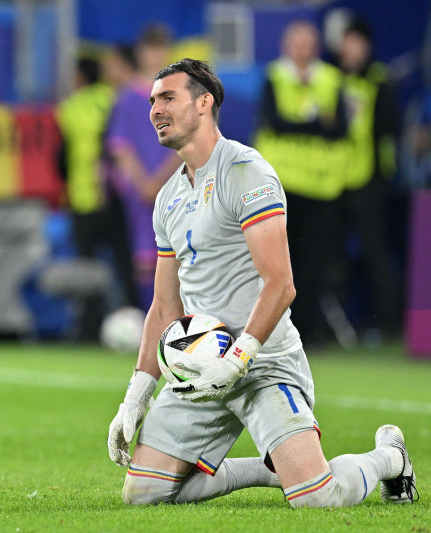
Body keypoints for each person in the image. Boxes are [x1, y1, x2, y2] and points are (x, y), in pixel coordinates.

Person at [107, 58, 417, 508]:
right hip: (198, 366)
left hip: (263, 362)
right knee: (145, 495)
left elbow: (280, 284)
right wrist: (135, 396)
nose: (155, 109)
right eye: (153, 100)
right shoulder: (168, 198)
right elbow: (163, 307)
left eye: (168, 97)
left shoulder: (246, 172)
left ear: (204, 103)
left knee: (317, 498)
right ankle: (272, 470)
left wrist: (236, 361)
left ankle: (389, 457)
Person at [254, 20, 349, 346]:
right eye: (296, 41)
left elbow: (341, 130)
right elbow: (274, 122)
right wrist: (316, 123)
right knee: (276, 262)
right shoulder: (275, 76)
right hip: (280, 185)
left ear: (317, 46)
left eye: (308, 42)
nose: (302, 48)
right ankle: (271, 330)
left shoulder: (331, 79)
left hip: (321, 186)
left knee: (315, 263)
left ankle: (307, 331)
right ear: (285, 45)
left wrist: (298, 124)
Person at [55, 57, 136, 341]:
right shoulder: (112, 99)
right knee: (125, 264)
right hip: (113, 195)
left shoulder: (69, 108)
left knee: (86, 268)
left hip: (82, 198)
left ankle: (89, 328)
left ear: (79, 76)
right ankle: (136, 319)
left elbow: (62, 156)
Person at [336, 18, 402, 339]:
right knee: (330, 254)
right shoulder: (331, 79)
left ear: (366, 46)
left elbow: (389, 126)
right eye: (345, 41)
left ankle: (390, 325)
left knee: (376, 254)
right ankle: (335, 328)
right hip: (333, 180)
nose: (348, 47)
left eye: (354, 41)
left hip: (371, 180)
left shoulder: (380, 80)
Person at [104, 42, 181, 309]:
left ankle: (179, 326)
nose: (156, 56)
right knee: (145, 258)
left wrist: (159, 181)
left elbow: (188, 143)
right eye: (151, 50)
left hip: (176, 187)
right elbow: (120, 145)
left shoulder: (182, 97)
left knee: (180, 256)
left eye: (161, 50)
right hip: (140, 193)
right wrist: (144, 183)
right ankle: (152, 322)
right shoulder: (127, 97)